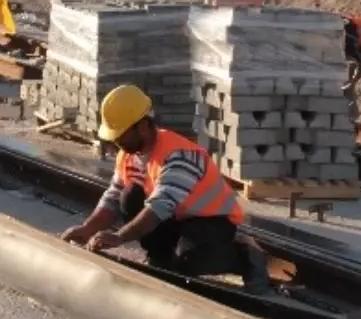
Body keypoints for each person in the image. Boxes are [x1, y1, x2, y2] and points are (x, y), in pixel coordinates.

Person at [61, 85, 271, 295]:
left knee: (188, 261)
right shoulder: (128, 155)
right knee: (128, 196)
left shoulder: (179, 155)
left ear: (142, 127)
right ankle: (160, 258)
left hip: (211, 222)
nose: (117, 142)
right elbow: (113, 198)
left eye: (121, 135)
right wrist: (87, 229)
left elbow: (160, 206)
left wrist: (119, 237)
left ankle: (245, 257)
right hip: (176, 219)